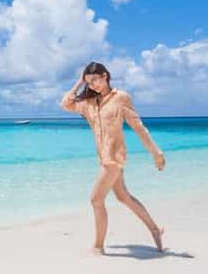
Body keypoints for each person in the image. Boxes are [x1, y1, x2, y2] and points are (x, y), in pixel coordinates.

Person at [60, 62, 166, 255]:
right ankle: (155, 229)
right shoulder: (89, 103)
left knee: (96, 200)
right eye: (89, 82)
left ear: (105, 76)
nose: (93, 85)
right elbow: (66, 104)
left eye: (95, 80)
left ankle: (98, 246)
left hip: (114, 159)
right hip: (104, 158)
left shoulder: (120, 98)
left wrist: (156, 152)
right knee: (123, 197)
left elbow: (138, 127)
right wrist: (78, 83)